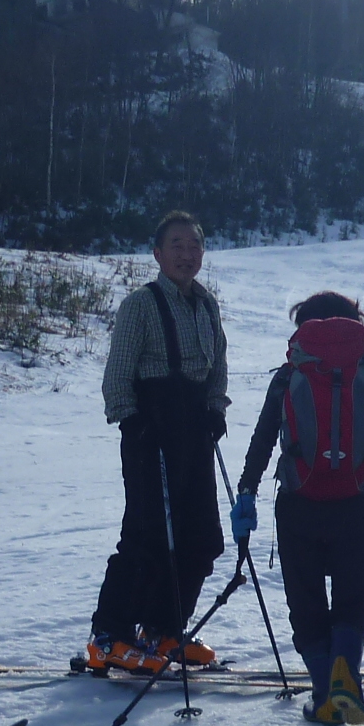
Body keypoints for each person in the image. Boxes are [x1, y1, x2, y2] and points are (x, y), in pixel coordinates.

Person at [230, 292, 364, 726]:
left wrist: (246, 491)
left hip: (298, 503)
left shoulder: (291, 374)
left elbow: (262, 439)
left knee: (305, 599)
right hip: (353, 503)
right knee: (353, 597)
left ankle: (322, 693)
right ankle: (345, 675)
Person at [86, 211, 229, 675]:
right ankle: (109, 636)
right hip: (150, 431)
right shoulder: (140, 305)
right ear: (158, 254)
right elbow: (117, 375)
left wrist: (215, 409)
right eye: (177, 246)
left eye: (194, 245)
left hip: (195, 430)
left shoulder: (206, 305)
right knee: (148, 535)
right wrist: (132, 423)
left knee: (201, 537)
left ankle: (164, 630)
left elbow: (218, 366)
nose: (187, 255)